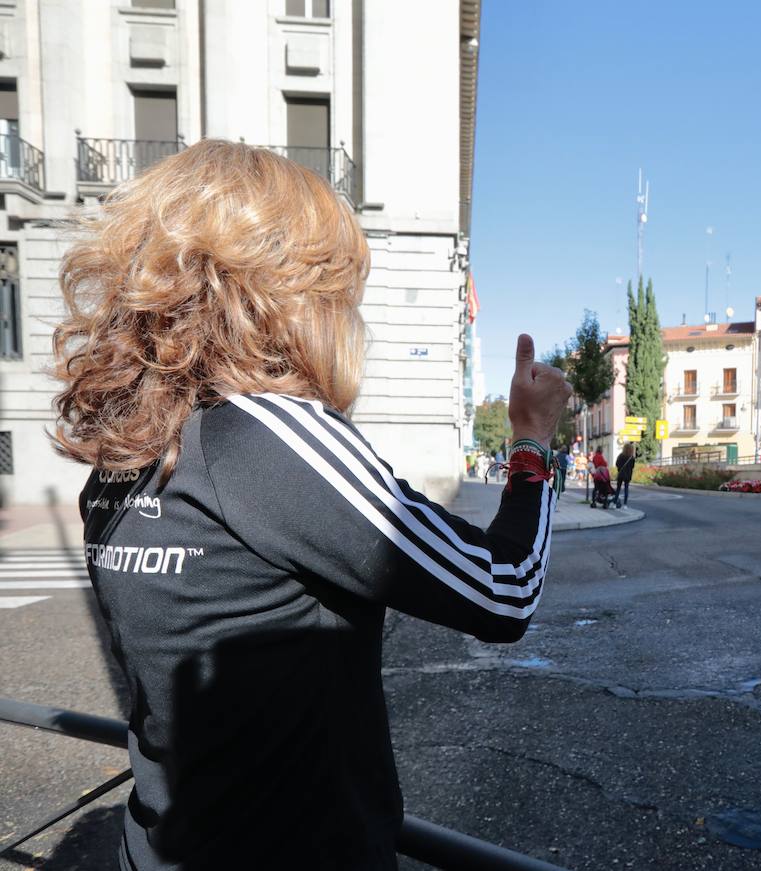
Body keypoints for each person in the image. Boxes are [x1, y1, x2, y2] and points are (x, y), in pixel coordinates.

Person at [50, 140, 572, 870]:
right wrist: (531, 445)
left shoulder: (122, 452)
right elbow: (503, 590)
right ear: (282, 290)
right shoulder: (270, 433)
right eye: (336, 287)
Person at [614, 442, 636, 507]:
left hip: (621, 474)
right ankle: (625, 505)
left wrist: (620, 468)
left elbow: (617, 464)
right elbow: (632, 466)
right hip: (628, 475)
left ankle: (614, 503)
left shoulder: (620, 456)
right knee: (626, 489)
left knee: (618, 489)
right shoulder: (632, 458)